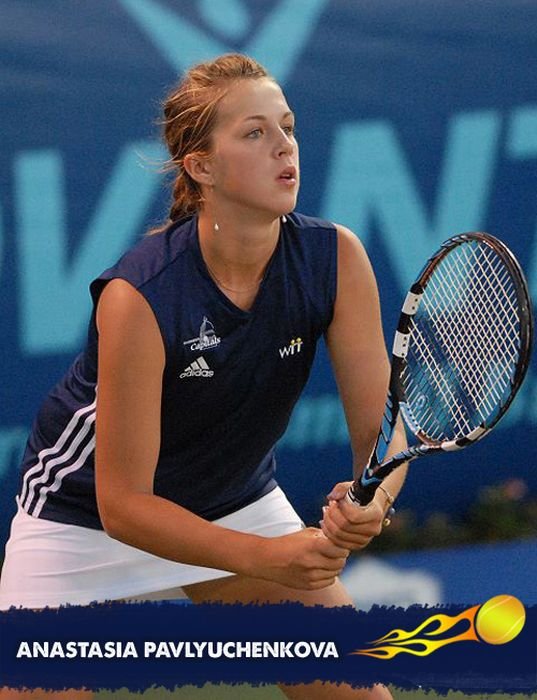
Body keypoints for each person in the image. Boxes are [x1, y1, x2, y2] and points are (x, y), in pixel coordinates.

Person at [0, 54, 407, 699]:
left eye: (288, 126)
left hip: (234, 501)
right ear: (202, 166)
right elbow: (123, 506)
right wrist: (272, 557)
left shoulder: (335, 258)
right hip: (82, 528)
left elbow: (383, 429)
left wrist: (374, 503)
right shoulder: (140, 294)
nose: (284, 147)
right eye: (254, 133)